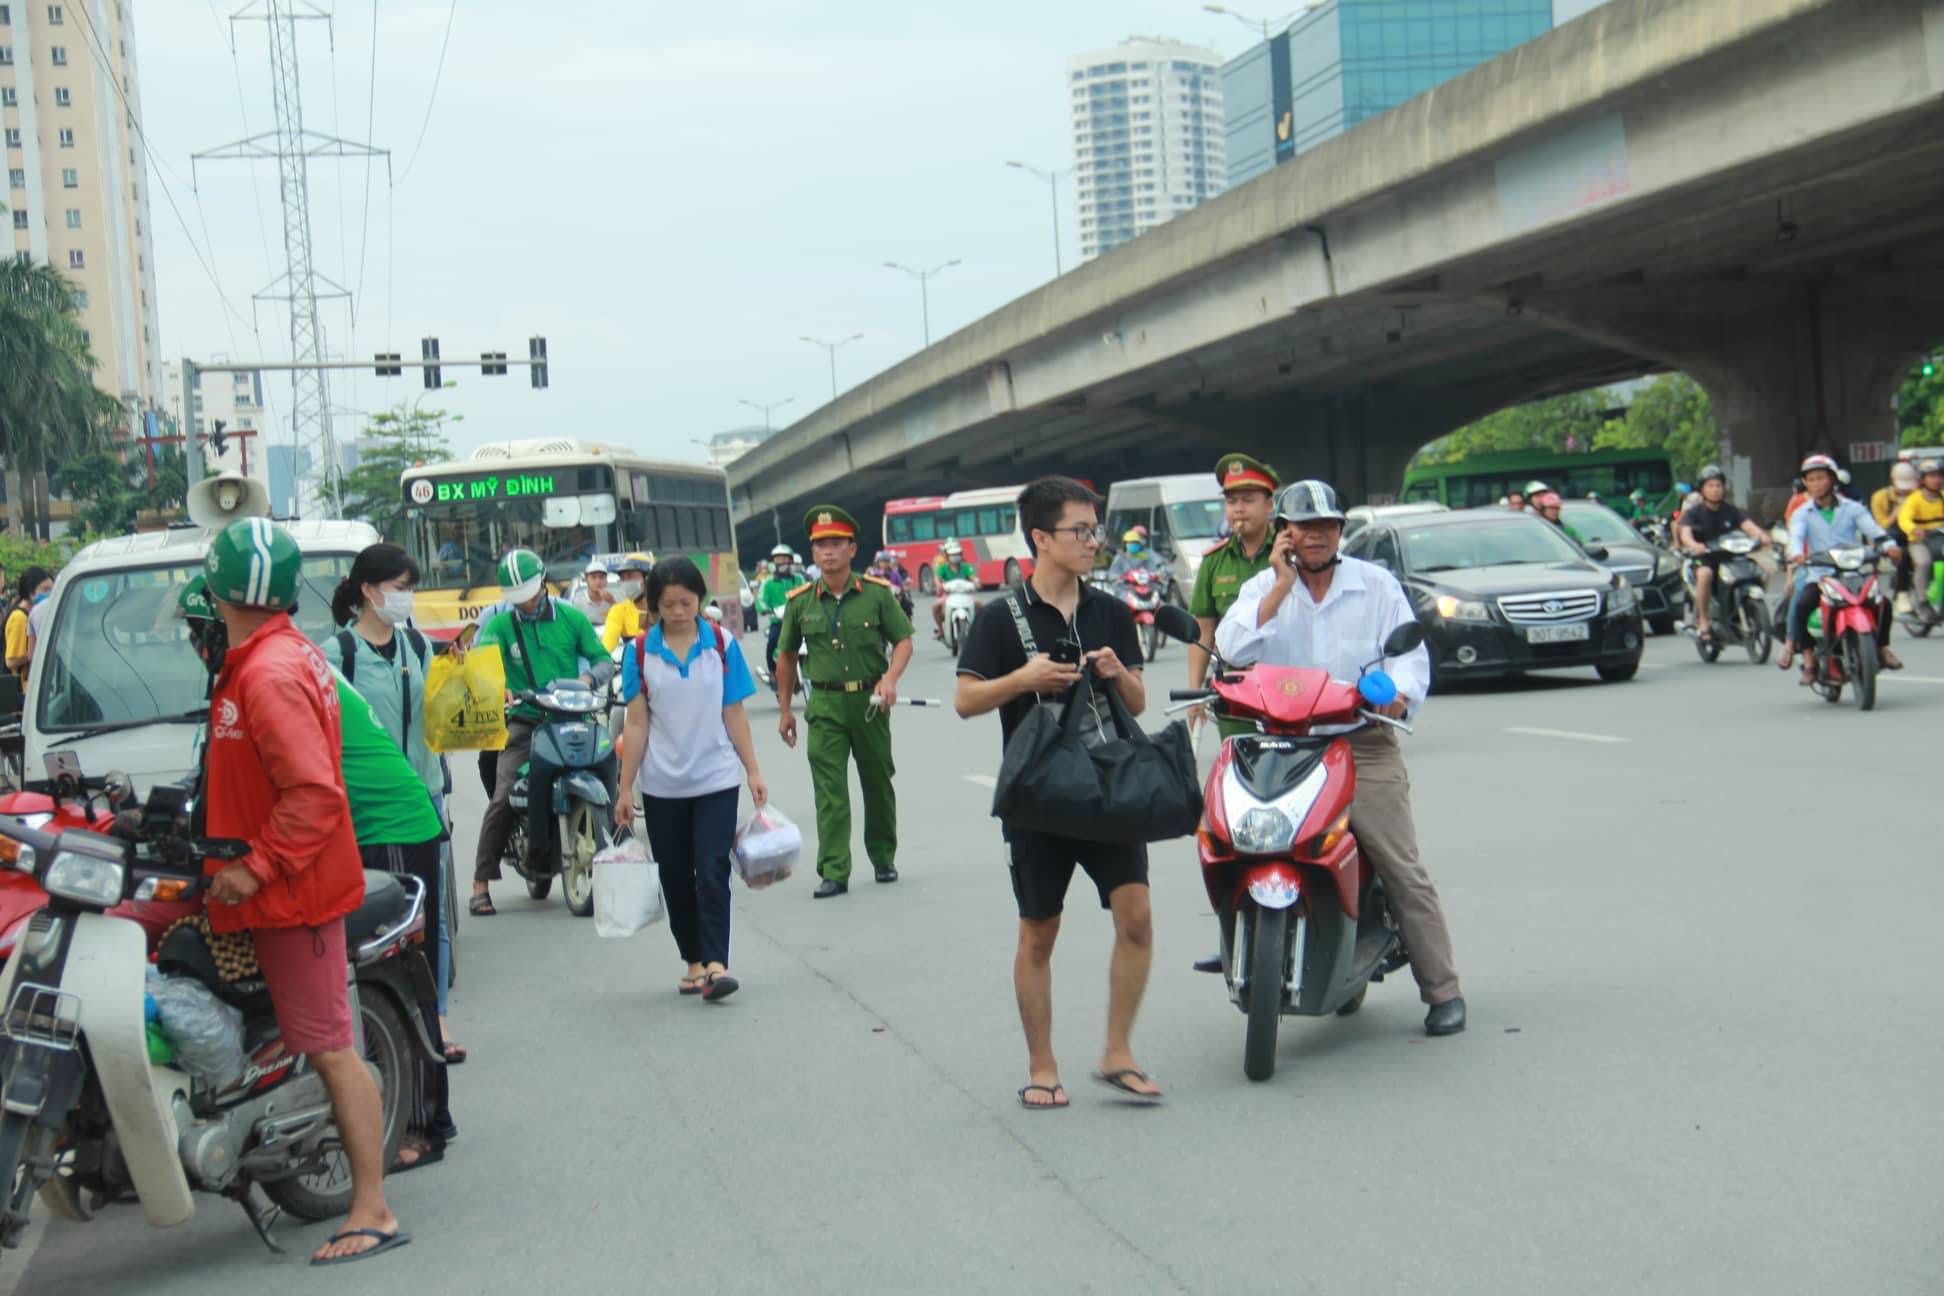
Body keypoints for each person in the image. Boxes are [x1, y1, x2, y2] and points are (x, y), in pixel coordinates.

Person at [197, 518, 408, 1264]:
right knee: (314, 1044)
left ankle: (372, 1208)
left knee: (332, 1051)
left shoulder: (268, 671)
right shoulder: (278, 655)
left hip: (297, 894)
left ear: (219, 587)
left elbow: (314, 794)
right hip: (285, 891)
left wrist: (254, 865)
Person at [1214, 480, 1466, 1038]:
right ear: (1283, 533)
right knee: (1239, 843)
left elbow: (1408, 658)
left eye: (1326, 526)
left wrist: (1397, 693)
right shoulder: (1263, 587)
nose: (1315, 536)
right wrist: (1279, 589)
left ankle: (1443, 988)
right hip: (1282, 744)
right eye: (1303, 527)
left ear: (1339, 532)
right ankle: (1242, 940)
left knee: (1401, 866)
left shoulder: (1374, 586)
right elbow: (1232, 650)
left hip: (1360, 740)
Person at [953, 476, 1161, 1107]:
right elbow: (965, 701)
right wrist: (1024, 677)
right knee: (1039, 934)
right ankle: (1043, 1066)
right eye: (1080, 530)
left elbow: (1139, 701)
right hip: (1039, 796)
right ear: (1041, 538)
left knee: (1138, 919)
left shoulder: (1112, 612)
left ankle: (1117, 1051)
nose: (1092, 540)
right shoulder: (998, 617)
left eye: (1094, 529)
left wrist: (1118, 672)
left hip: (1108, 787)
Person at [322, 544, 462, 1068]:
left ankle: (436, 1017)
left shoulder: (418, 647)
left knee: (433, 916)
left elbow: (442, 710)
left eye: (410, 589)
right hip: (366, 809)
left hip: (423, 794)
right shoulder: (338, 655)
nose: (406, 598)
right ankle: (378, 1023)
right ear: (368, 590)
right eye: (399, 587)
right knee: (376, 916)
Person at [614, 557, 767, 1001]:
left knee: (714, 869)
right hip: (663, 784)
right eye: (669, 604)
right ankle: (693, 962)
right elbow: (637, 724)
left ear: (700, 599)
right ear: (654, 606)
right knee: (676, 875)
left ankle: (718, 963)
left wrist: (752, 769)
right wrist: (626, 787)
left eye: (687, 602)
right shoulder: (639, 653)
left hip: (716, 777)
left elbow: (733, 711)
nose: (679, 612)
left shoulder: (720, 644)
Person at [774, 504, 914, 898]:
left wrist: (890, 679)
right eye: (820, 546)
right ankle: (835, 869)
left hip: (870, 703)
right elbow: (785, 657)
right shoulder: (800, 601)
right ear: (813, 553)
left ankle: (883, 856)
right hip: (825, 705)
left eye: (836, 544)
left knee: (877, 782)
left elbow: (903, 640)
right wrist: (786, 709)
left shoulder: (877, 595)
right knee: (829, 790)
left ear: (852, 549)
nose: (827, 552)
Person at [469, 549, 615, 916]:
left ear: (544, 584)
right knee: (503, 796)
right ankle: (480, 883)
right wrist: (498, 687)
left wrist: (586, 679)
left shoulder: (570, 617)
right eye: (518, 599)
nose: (527, 604)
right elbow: (484, 665)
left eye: (531, 595)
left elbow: (601, 659)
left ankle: (616, 847)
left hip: (573, 714)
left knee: (610, 761)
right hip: (525, 720)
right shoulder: (500, 626)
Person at [1185, 453, 1281, 973]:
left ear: (1270, 503)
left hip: (1294, 704)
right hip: (1236, 707)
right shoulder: (1216, 562)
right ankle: (1236, 936)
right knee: (1234, 825)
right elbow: (1204, 632)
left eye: (1247, 499)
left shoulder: (1289, 550)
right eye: (1231, 500)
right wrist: (1196, 692)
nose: (1238, 508)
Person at [1779, 454, 1902, 679]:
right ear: (1805, 483)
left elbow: (1873, 530)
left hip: (1854, 572)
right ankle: (1808, 659)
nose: (1816, 484)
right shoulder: (1801, 513)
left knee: (1884, 603)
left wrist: (1889, 545)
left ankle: (1882, 648)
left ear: (1832, 480)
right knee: (1803, 605)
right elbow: (1795, 538)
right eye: (1811, 479)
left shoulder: (1853, 508)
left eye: (1821, 478)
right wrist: (1796, 555)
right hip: (1821, 575)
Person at [1676, 465, 1771, 646]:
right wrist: (1695, 545)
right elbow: (1685, 534)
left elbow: (1748, 525)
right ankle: (1704, 620)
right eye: (1710, 486)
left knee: (1762, 570)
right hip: (1705, 557)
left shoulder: (1731, 510)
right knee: (1705, 575)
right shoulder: (1694, 512)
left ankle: (1748, 606)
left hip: (1729, 556)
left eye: (1718, 485)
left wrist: (1762, 536)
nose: (1715, 490)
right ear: (1702, 489)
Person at [1897, 459, 1944, 625]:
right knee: (1924, 563)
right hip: (1920, 542)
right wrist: (1914, 529)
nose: (1937, 480)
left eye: (1939, 476)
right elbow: (1904, 519)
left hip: (1941, 540)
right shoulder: (1914, 499)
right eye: (1931, 476)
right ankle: (1923, 601)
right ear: (1922, 479)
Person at [759, 544, 807, 681]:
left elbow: (807, 594)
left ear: (791, 561)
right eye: (778, 559)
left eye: (784, 558)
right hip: (779, 621)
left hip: (799, 621)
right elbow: (761, 600)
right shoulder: (768, 582)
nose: (781, 562)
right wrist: (765, 609)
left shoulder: (799, 579)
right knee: (772, 641)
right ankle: (773, 671)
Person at [600, 553, 657, 653]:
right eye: (623, 578)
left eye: (630, 576)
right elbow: (607, 644)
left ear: (648, 578)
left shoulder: (664, 608)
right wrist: (601, 659)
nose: (626, 582)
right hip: (633, 665)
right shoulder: (619, 610)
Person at [4, 567, 50, 680]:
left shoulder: (32, 614)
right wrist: (35, 653)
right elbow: (11, 661)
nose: (49, 594)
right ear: (31, 592)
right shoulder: (19, 618)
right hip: (22, 687)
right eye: (45, 589)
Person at [931, 538, 980, 638]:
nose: (955, 557)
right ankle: (941, 630)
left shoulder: (966, 567)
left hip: (965, 595)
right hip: (948, 595)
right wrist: (938, 584)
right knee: (935, 607)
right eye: (953, 555)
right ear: (948, 556)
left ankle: (979, 627)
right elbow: (937, 578)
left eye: (957, 554)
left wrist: (976, 582)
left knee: (980, 605)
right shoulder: (943, 567)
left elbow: (973, 577)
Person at [572, 558, 618, 625]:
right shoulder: (578, 601)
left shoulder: (614, 598)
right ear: (587, 580)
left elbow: (622, 622)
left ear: (606, 580)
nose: (598, 581)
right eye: (593, 577)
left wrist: (612, 602)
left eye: (601, 577)